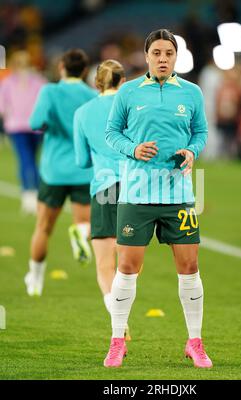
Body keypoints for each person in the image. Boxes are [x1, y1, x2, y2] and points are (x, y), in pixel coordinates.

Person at [104, 29, 212, 368]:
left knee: (190, 266)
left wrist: (193, 152)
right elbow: (112, 133)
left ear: (176, 57)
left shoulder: (192, 93)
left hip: (179, 195)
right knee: (126, 267)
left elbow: (201, 132)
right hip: (137, 194)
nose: (162, 58)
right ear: (147, 56)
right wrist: (133, 148)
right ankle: (117, 340)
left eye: (168, 53)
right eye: (156, 53)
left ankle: (195, 342)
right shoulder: (129, 92)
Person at [24, 49, 96, 296]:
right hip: (84, 169)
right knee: (84, 223)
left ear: (62, 68)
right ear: (85, 71)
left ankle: (35, 281)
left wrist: (50, 124)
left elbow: (35, 123)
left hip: (54, 169)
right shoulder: (92, 95)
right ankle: (80, 233)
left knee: (43, 228)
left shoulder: (50, 91)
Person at [73, 59, 131, 339]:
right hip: (137, 186)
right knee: (129, 259)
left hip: (105, 187)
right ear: (122, 81)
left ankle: (116, 318)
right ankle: (123, 312)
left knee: (104, 262)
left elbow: (82, 160)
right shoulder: (133, 108)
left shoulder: (83, 112)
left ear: (96, 82)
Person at [0, 51, 46, 213]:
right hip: (36, 127)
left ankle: (29, 195)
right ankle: (37, 193)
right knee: (33, 159)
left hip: (16, 127)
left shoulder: (8, 82)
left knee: (25, 159)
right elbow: (45, 105)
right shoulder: (39, 81)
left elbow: (2, 107)